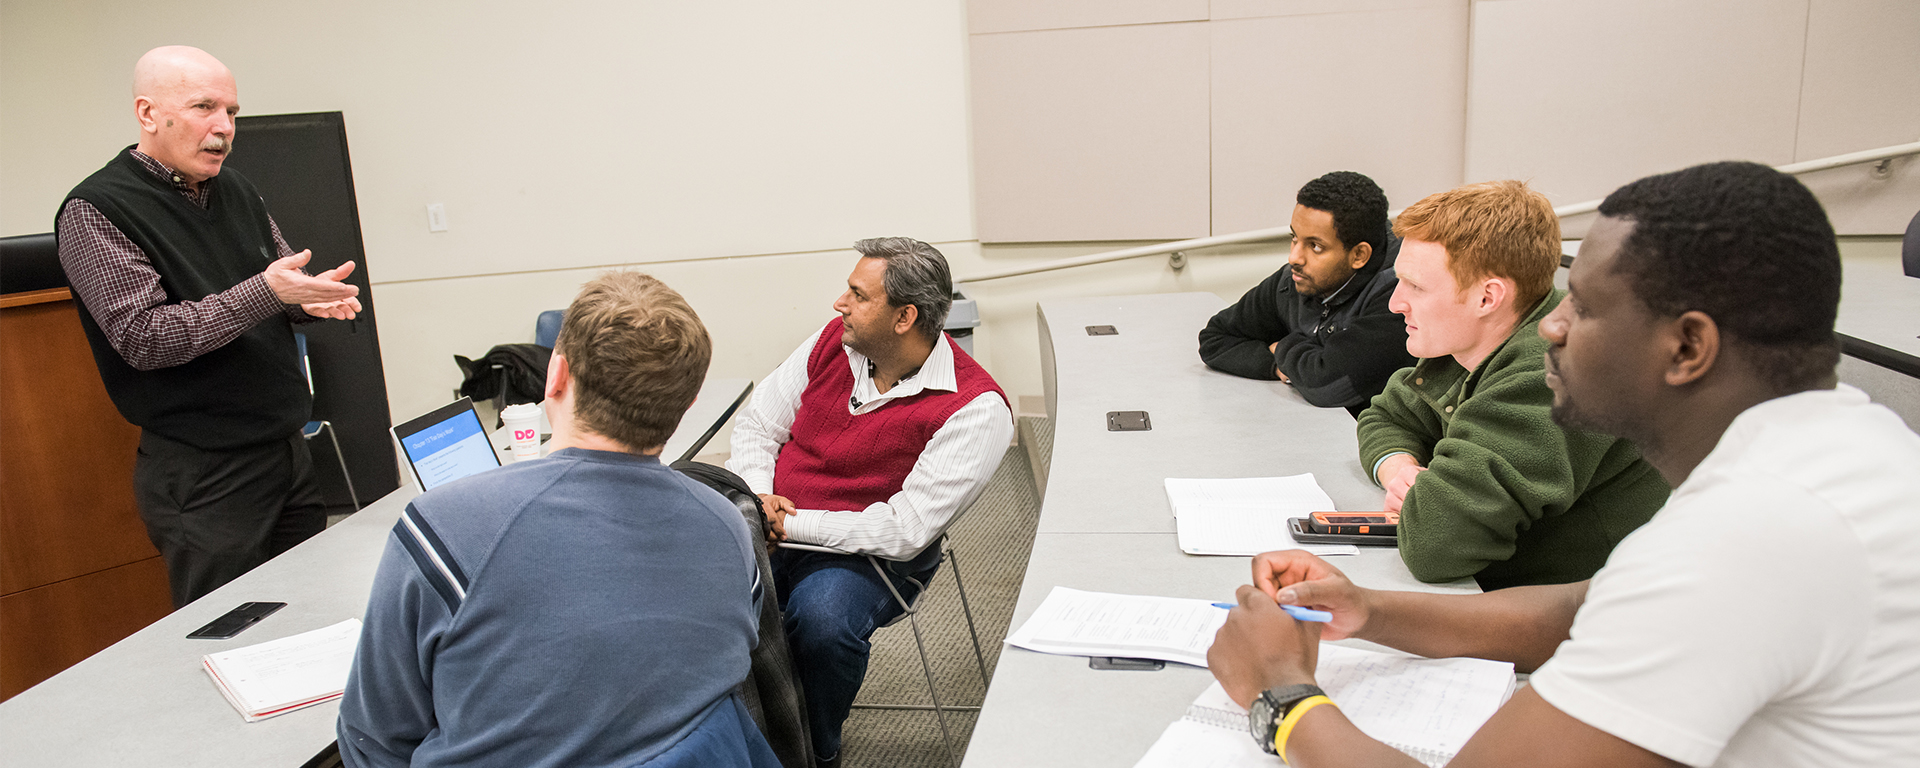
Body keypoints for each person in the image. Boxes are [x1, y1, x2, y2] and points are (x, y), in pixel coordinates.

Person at [1208, 161, 1920, 767]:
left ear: (1687, 348)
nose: (1550, 325)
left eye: (1584, 307)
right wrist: (1366, 610)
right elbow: (1588, 607)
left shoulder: (1756, 534)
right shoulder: (1840, 448)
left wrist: (1281, 693)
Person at [338, 272, 776, 767]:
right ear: (688, 402)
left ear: (556, 375)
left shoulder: (444, 522)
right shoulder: (727, 525)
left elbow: (374, 736)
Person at [55, 46, 362, 607]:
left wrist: (306, 298)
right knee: (231, 635)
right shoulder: (96, 208)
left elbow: (276, 277)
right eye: (204, 107)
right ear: (148, 114)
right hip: (204, 475)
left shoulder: (236, 190)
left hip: (283, 450)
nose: (224, 128)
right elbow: (144, 338)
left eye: (232, 112)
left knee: (307, 613)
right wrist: (269, 291)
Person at [728, 237, 1014, 767]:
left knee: (823, 624)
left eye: (858, 295)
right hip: (771, 522)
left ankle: (815, 753)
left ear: (905, 316)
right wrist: (758, 499)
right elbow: (758, 425)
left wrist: (786, 526)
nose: (840, 304)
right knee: (696, 594)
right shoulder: (831, 343)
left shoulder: (976, 409)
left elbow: (904, 531)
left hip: (873, 558)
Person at [1357, 180, 1668, 589]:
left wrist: (1428, 496)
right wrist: (1404, 471)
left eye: (1415, 286)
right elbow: (1385, 415)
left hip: (1583, 622)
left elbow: (1437, 546)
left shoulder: (1552, 375)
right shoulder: (1471, 340)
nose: (1396, 303)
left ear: (1488, 298)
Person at [1199, 171, 1414, 411]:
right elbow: (1214, 340)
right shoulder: (1295, 280)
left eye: (1315, 246)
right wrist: (1278, 366)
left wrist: (1282, 347)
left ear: (1359, 255)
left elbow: (1327, 386)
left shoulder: (1400, 295)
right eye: (1294, 238)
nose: (1294, 257)